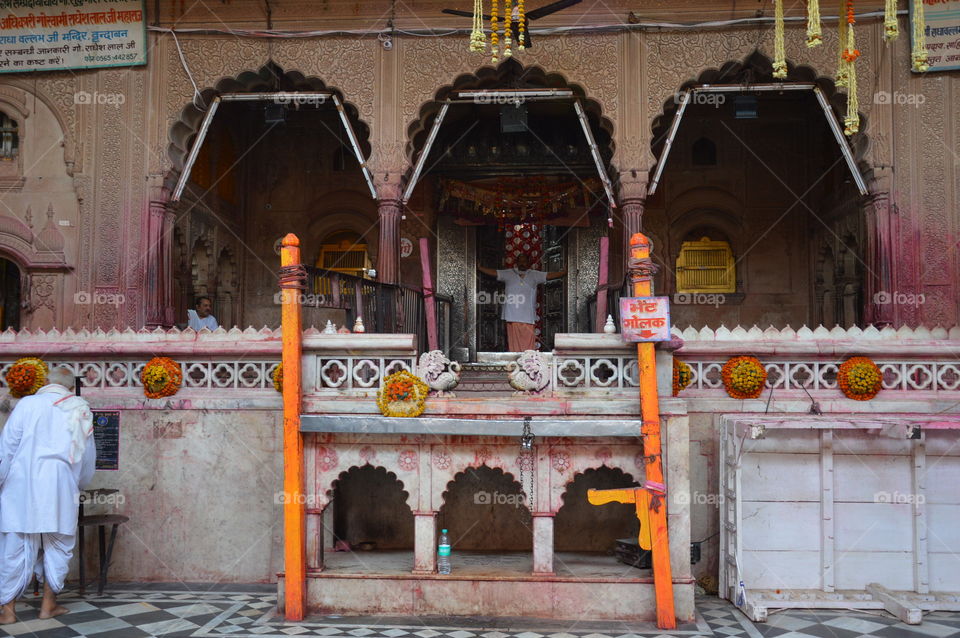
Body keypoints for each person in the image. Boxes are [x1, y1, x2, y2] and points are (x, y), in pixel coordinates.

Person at [0, 367, 96, 623]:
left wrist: (1, 481)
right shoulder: (80, 407)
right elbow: (86, 459)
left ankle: (8, 611)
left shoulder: (26, 404)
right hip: (60, 485)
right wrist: (78, 485)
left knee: (14, 545)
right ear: (68, 386)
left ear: (45, 382)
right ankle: (48, 607)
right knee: (59, 545)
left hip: (21, 483)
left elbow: (6, 449)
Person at [478, 253, 566, 352]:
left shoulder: (535, 274)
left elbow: (550, 275)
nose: (522, 263)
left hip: (527, 316)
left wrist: (564, 272)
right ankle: (516, 363)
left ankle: (528, 363)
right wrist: (480, 268)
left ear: (528, 262)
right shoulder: (509, 273)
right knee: (514, 345)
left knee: (528, 346)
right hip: (512, 316)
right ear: (517, 262)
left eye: (524, 261)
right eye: (520, 261)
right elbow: (494, 272)